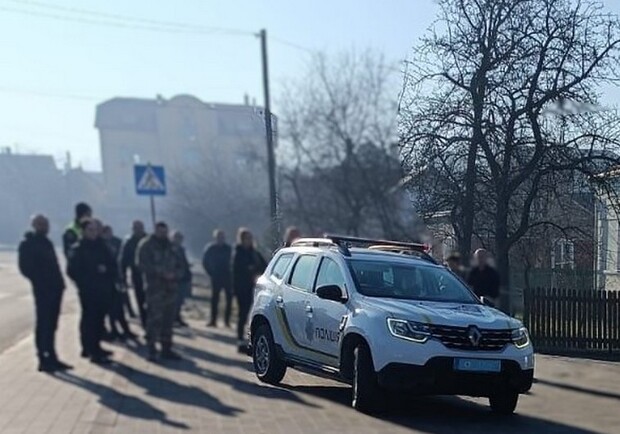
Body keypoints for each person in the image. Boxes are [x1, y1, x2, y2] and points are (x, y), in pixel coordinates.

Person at [18, 215, 73, 373]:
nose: (45, 227)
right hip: (43, 290)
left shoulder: (46, 242)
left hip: (55, 288)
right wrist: (40, 281)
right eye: (41, 224)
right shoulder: (28, 244)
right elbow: (25, 268)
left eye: (46, 224)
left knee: (52, 324)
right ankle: (42, 357)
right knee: (43, 323)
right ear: (35, 225)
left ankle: (52, 355)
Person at [67, 218, 117, 364]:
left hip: (104, 289)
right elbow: (72, 271)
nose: (94, 233)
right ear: (83, 231)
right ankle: (89, 349)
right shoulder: (78, 249)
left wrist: (106, 270)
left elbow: (113, 266)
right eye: (90, 230)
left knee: (99, 320)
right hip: (88, 291)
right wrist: (88, 278)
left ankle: (97, 346)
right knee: (89, 320)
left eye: (95, 230)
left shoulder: (103, 247)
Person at [138, 222, 184, 361]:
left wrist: (175, 275)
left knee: (168, 321)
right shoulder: (146, 245)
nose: (163, 235)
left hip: (171, 289)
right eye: (160, 232)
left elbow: (182, 266)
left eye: (165, 232)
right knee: (154, 320)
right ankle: (151, 349)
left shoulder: (173, 247)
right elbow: (141, 265)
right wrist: (161, 273)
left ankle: (166, 348)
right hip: (155, 289)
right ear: (155, 231)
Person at [232, 228, 267, 353]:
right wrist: (250, 271)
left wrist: (258, 273)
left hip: (255, 288)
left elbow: (264, 266)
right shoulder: (238, 253)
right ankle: (241, 341)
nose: (249, 241)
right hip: (242, 288)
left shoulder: (255, 253)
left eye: (250, 238)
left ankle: (251, 340)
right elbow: (237, 271)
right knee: (243, 314)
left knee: (253, 315)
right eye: (246, 238)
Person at [102, 225, 135, 341]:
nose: (108, 234)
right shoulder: (101, 245)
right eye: (106, 232)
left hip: (118, 276)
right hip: (106, 281)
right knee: (112, 309)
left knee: (120, 305)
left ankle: (126, 330)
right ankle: (114, 330)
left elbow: (122, 259)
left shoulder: (118, 242)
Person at [202, 229, 232, 328]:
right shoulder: (211, 248)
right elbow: (205, 261)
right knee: (215, 299)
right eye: (219, 237)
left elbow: (233, 262)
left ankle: (227, 321)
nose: (221, 239)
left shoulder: (228, 249)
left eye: (222, 237)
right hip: (216, 276)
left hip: (228, 277)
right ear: (215, 238)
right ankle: (213, 320)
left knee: (229, 299)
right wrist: (210, 272)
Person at [121, 220, 147, 326]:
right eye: (136, 228)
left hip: (152, 275)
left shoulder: (149, 240)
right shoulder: (129, 242)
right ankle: (144, 321)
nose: (138, 230)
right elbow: (123, 260)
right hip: (137, 274)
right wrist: (123, 276)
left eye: (140, 227)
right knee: (141, 298)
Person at [171, 231, 192, 328]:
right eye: (177, 238)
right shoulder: (170, 249)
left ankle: (177, 317)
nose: (179, 240)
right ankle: (173, 318)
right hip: (174, 278)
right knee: (174, 300)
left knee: (180, 300)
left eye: (180, 238)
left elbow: (184, 262)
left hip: (183, 277)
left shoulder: (181, 249)